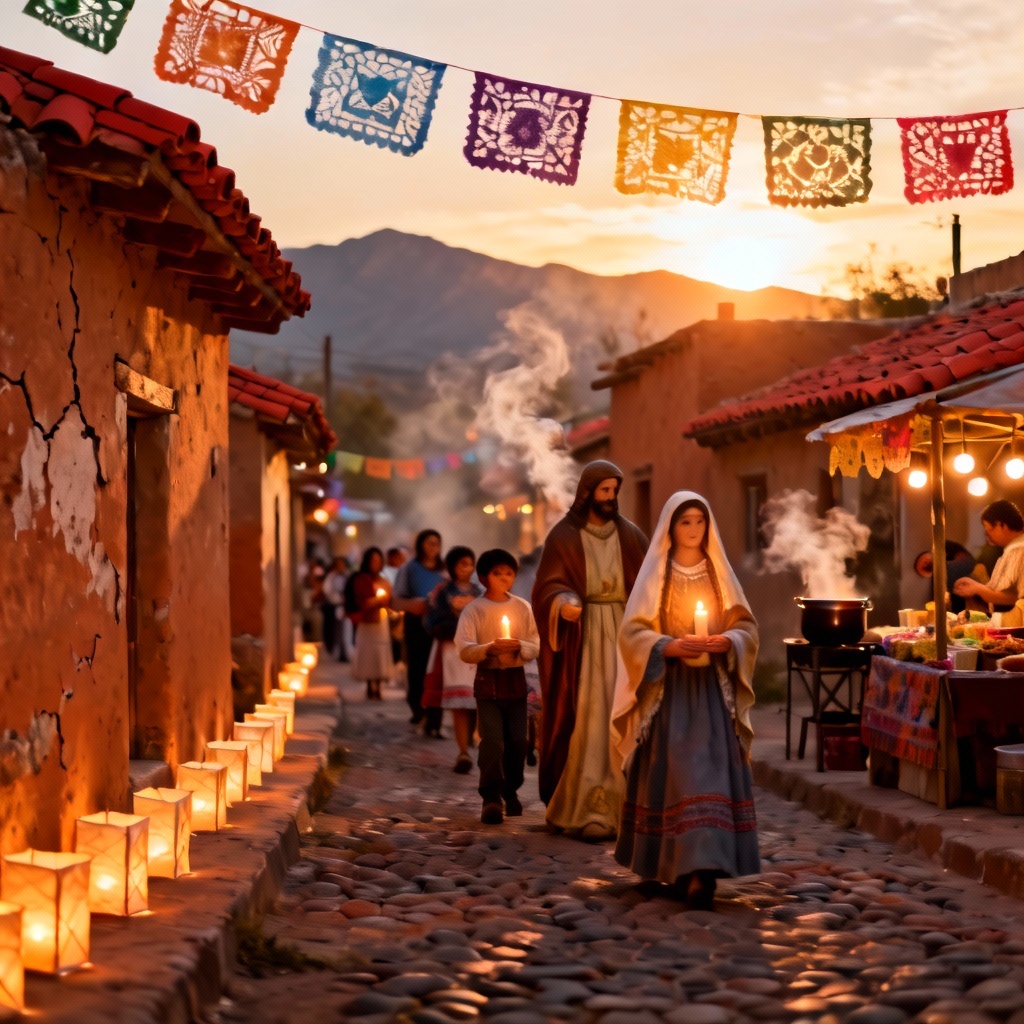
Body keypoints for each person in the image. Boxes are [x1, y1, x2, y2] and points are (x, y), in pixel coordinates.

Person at [610, 491, 760, 910]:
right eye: (685, 522)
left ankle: (703, 871)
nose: (693, 530)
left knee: (710, 772)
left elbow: (746, 626)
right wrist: (668, 646)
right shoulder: (656, 573)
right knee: (676, 770)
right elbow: (632, 633)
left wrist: (726, 640)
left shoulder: (718, 573)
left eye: (699, 522)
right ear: (670, 528)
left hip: (712, 695)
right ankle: (673, 863)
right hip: (670, 693)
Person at [531, 460, 648, 841]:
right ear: (588, 492)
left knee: (624, 712)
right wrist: (562, 601)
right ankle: (586, 805)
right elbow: (547, 586)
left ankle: (628, 805)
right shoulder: (564, 537)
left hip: (624, 633)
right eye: (604, 491)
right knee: (589, 715)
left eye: (615, 490)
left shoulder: (630, 536)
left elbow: (649, 583)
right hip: (583, 639)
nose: (611, 498)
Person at [455, 549, 540, 825]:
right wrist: (489, 649)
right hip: (488, 684)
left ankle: (511, 789)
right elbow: (465, 649)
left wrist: (519, 646)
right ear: (483, 577)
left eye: (509, 573)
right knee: (492, 741)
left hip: (515, 682)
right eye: (497, 573)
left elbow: (534, 644)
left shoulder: (521, 607)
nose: (504, 578)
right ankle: (491, 797)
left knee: (518, 741)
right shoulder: (474, 610)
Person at [425, 546, 483, 773]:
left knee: (477, 701)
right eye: (462, 564)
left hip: (476, 651)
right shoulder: (442, 592)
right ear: (452, 567)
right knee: (459, 703)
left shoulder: (480, 592)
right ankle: (462, 752)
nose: (466, 568)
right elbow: (432, 620)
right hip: (452, 652)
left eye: (470, 564)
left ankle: (474, 740)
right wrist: (452, 623)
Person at [391, 529, 446, 732]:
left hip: (440, 625)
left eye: (436, 543)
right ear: (420, 544)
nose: (433, 547)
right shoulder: (409, 569)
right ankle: (418, 707)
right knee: (418, 668)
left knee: (438, 670)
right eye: (429, 543)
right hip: (416, 624)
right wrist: (416, 604)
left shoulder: (444, 570)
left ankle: (434, 715)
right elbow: (395, 601)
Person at [953, 500, 1024, 614]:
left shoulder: (1019, 550)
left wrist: (978, 589)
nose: (988, 535)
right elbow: (1000, 593)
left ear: (1002, 525)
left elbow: (1017, 599)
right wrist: (975, 587)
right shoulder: (1010, 550)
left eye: (988, 529)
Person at [348, 547, 394, 700]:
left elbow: (391, 600)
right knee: (367, 652)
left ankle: (379, 684)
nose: (376, 563)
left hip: (381, 621)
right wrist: (375, 601)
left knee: (380, 651)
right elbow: (360, 601)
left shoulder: (384, 581)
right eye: (373, 560)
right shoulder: (361, 579)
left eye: (378, 561)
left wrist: (387, 602)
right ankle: (369, 684)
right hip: (367, 621)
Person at [913, 541, 987, 614]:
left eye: (924, 560)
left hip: (971, 573)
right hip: (963, 602)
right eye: (924, 569)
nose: (925, 564)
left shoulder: (944, 546)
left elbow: (967, 563)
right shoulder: (936, 583)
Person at [321, 556, 349, 660]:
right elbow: (328, 591)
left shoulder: (346, 577)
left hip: (344, 606)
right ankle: (335, 649)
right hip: (333, 606)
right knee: (334, 629)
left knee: (344, 630)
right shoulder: (331, 577)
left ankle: (344, 651)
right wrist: (338, 599)